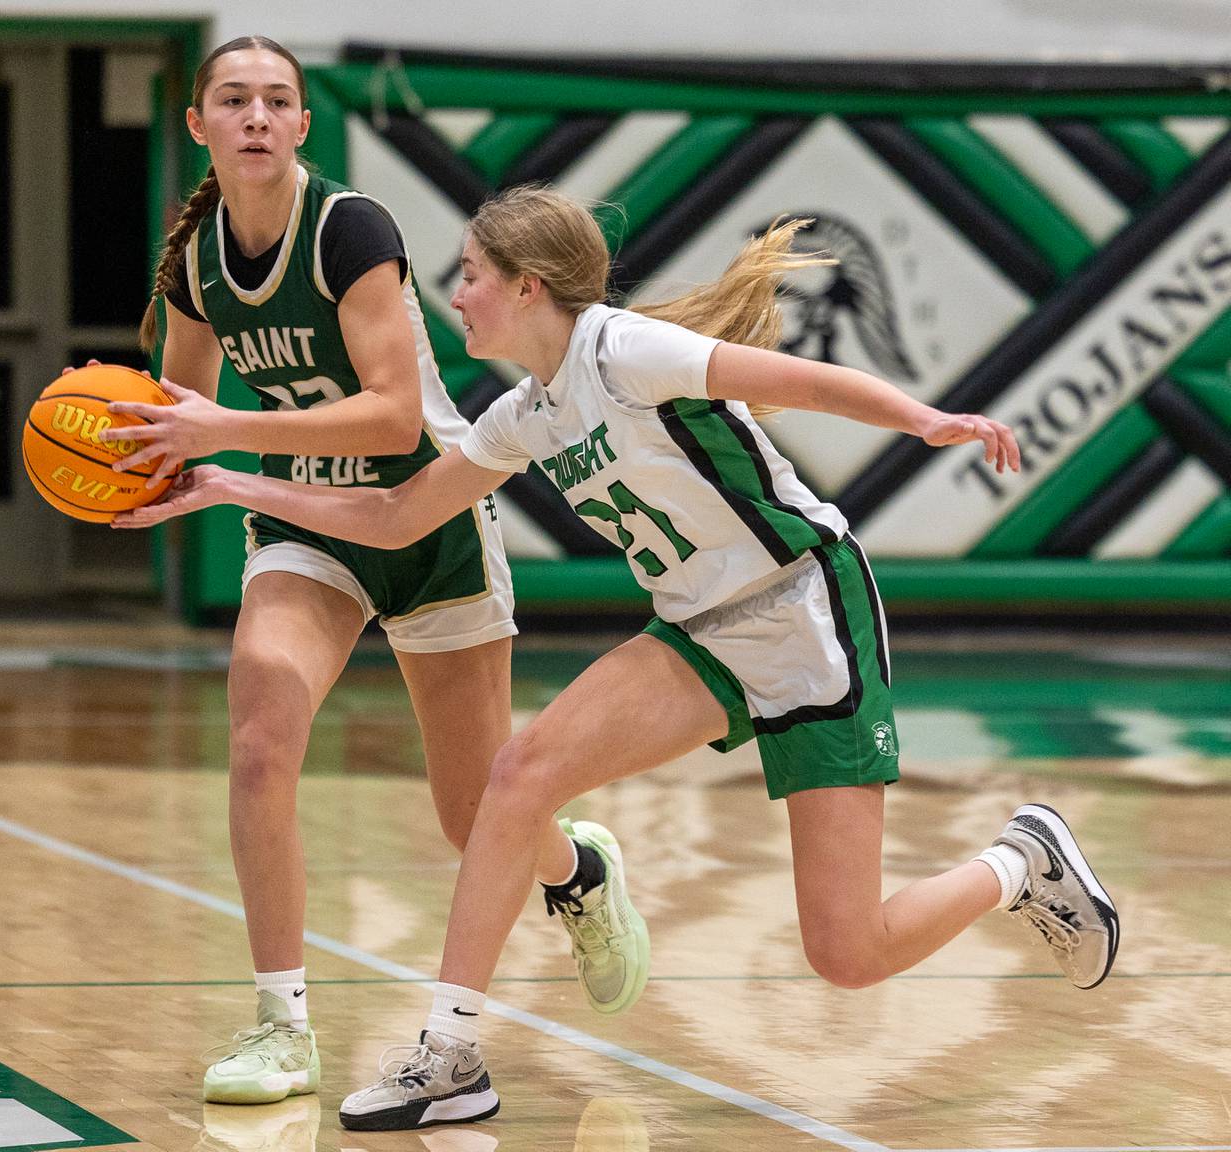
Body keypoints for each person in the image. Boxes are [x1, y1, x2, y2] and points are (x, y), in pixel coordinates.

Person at [111, 185, 1120, 1133]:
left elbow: (796, 382)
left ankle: (1020, 860)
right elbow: (391, 513)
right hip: (697, 629)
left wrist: (926, 418)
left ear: (526, 287)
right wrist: (229, 486)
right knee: (518, 778)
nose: (452, 294)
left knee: (847, 953)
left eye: (469, 274)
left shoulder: (627, 351)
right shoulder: (525, 413)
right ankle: (450, 1058)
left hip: (806, 613)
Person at [109, 43, 650, 1106]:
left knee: (470, 813)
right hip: (308, 523)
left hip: (428, 514)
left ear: (304, 125)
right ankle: (282, 1028)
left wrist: (226, 428)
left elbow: (395, 414)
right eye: (235, 101)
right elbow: (182, 420)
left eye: (277, 101)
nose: (257, 116)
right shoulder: (196, 263)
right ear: (200, 126)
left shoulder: (350, 229)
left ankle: (576, 873)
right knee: (261, 739)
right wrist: (128, 468)